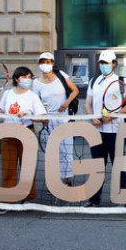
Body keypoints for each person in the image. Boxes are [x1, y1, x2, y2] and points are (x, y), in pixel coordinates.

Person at [0, 66, 47, 214]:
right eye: (25, 77)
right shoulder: (8, 93)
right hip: (8, 133)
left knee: (27, 167)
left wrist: (28, 115)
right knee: (8, 168)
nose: (27, 80)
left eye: (29, 77)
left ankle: (28, 197)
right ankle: (6, 200)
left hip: (26, 133)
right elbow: (2, 109)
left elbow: (42, 116)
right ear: (17, 79)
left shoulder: (32, 96)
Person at [84, 50, 126, 207]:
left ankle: (123, 199)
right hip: (98, 132)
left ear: (113, 64)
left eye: (107, 63)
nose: (104, 66)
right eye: (102, 63)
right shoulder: (94, 81)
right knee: (97, 167)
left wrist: (113, 116)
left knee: (119, 166)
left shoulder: (121, 81)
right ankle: (94, 200)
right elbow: (88, 103)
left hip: (116, 131)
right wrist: (92, 117)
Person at [33, 52, 79, 186]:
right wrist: (42, 118)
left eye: (48, 62)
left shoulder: (61, 75)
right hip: (48, 120)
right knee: (52, 152)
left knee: (67, 150)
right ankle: (53, 181)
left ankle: (68, 179)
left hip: (64, 118)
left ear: (52, 63)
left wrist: (67, 103)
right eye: (42, 62)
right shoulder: (36, 83)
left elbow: (75, 90)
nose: (45, 65)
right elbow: (36, 102)